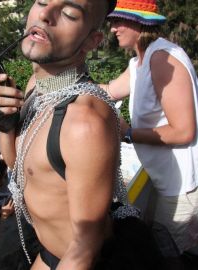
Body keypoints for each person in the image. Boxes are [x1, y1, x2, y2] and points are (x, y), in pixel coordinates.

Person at [0, 1, 164, 269]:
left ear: (92, 41)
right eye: (42, 1)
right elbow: (22, 168)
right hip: (45, 251)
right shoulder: (37, 85)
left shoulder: (84, 122)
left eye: (69, 14)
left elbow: (85, 247)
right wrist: (6, 125)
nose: (44, 14)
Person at [103, 0, 198, 255]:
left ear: (139, 21)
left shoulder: (162, 58)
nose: (113, 28)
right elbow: (109, 91)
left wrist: (128, 132)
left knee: (173, 258)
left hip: (181, 189)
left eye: (119, 20)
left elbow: (184, 130)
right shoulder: (138, 63)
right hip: (162, 181)